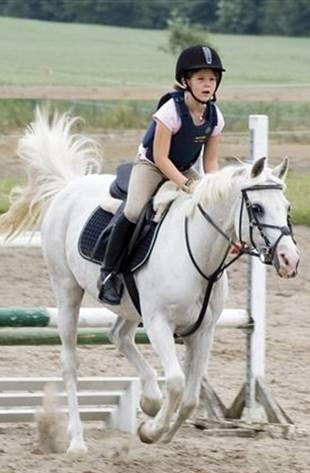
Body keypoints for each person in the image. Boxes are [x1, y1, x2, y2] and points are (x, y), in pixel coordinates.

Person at [97, 45, 226, 305]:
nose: (207, 84)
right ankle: (108, 272)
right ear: (185, 81)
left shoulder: (215, 117)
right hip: (152, 166)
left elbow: (210, 160)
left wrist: (214, 188)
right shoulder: (170, 111)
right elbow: (160, 157)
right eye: (201, 78)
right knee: (133, 211)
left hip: (184, 167)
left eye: (212, 79)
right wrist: (186, 184)